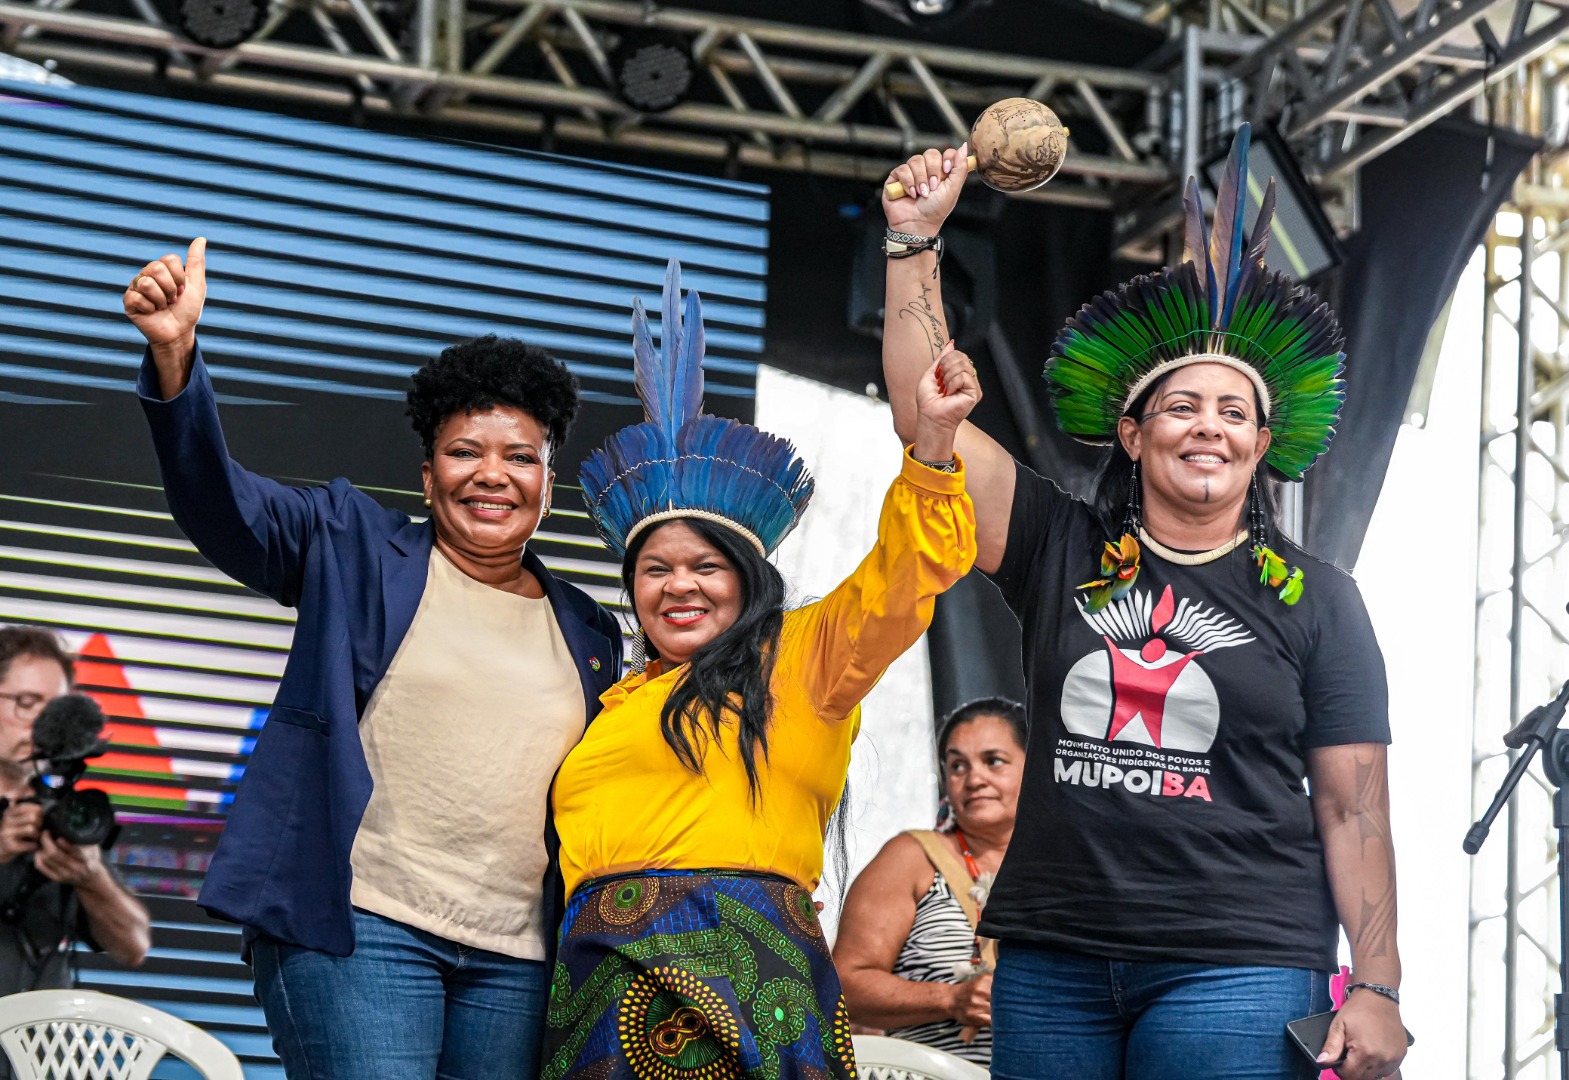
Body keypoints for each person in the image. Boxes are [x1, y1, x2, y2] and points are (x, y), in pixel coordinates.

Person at [878, 127, 1406, 1080]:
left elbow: (1352, 808)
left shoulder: (1321, 601)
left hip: (1239, 961)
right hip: (1052, 957)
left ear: (1260, 446)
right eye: (1181, 405)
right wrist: (914, 241)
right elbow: (929, 411)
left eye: (1233, 411)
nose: (1208, 424)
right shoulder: (1059, 546)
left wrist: (1375, 985)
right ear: (1130, 432)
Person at [122, 240, 622, 1079]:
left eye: (520, 457)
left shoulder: (590, 630)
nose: (491, 474)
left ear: (547, 480)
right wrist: (175, 357)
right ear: (428, 479)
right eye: (465, 453)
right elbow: (220, 502)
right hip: (360, 926)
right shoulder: (349, 541)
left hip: (518, 957)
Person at [538, 261, 978, 1080]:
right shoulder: (613, 700)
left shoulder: (803, 654)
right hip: (595, 977)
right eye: (654, 570)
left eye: (704, 566)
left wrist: (933, 444)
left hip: (743, 968)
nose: (678, 586)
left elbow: (902, 579)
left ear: (747, 577)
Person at [834, 696, 1026, 1066]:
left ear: (1032, 769)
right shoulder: (912, 857)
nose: (974, 779)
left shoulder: (1068, 865)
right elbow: (845, 985)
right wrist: (950, 999)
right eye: (957, 766)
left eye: (993, 761)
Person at [0, 626, 150, 998]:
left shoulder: (65, 814)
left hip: (40, 1051)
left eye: (55, 709)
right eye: (27, 702)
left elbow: (133, 945)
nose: (42, 725)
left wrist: (91, 877)